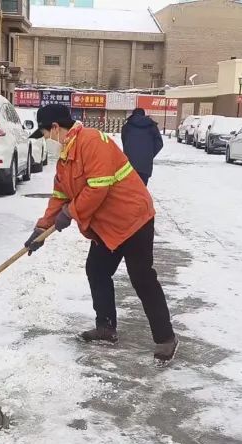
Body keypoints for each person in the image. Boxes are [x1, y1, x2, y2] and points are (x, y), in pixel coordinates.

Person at [23, 104, 178, 362]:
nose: (48, 140)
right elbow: (59, 195)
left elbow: (98, 187)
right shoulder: (65, 159)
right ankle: (106, 327)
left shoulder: (91, 142)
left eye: (47, 134)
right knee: (97, 269)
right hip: (106, 226)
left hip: (133, 218)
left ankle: (166, 338)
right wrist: (41, 227)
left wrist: (70, 214)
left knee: (142, 277)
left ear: (55, 127)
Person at [120, 108, 164, 186]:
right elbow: (159, 143)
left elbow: (124, 142)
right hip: (145, 164)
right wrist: (149, 154)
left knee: (130, 189)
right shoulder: (152, 126)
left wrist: (129, 152)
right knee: (142, 188)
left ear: (133, 115)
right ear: (144, 115)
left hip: (130, 163)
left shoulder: (127, 127)